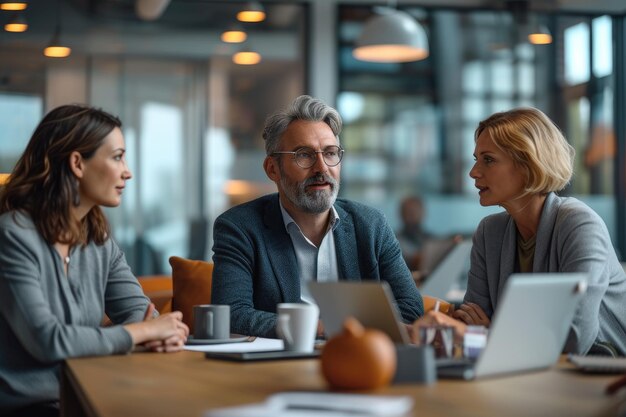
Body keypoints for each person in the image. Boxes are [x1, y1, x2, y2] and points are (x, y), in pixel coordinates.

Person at [0, 105, 189, 416]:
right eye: (117, 157)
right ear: (78, 163)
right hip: (25, 408)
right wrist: (143, 334)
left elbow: (140, 315)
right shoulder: (13, 235)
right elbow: (48, 340)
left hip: (89, 395)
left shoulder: (99, 239)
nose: (127, 171)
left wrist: (156, 332)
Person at [414, 107, 626, 356]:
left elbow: (573, 341)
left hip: (603, 381)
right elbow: (469, 320)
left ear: (527, 164)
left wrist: (487, 333)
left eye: (488, 160)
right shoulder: (489, 232)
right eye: (476, 159)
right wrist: (485, 334)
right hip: (526, 376)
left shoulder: (579, 224)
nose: (473, 172)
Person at [211, 95, 423, 338]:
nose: (322, 168)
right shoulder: (240, 228)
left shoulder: (371, 225)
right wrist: (323, 328)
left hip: (360, 362)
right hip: (276, 369)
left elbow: (411, 309)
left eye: (330, 153)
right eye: (304, 155)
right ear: (272, 169)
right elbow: (231, 315)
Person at [396, 195, 431, 271]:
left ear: (423, 213)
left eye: (414, 212)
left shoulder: (431, 238)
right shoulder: (394, 241)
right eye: (408, 212)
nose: (411, 216)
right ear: (401, 214)